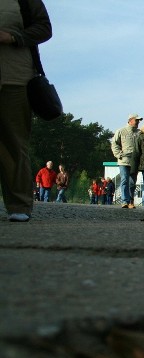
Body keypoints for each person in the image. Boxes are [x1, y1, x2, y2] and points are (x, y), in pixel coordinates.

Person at [0, 0, 52, 222]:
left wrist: (13, 37)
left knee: (14, 142)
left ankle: (18, 204)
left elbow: (44, 28)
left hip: (14, 78)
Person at [111, 113, 142, 209]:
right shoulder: (120, 131)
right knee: (124, 179)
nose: (138, 122)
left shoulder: (140, 133)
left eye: (138, 121)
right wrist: (118, 154)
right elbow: (114, 144)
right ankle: (125, 201)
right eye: (136, 120)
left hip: (135, 160)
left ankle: (131, 201)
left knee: (132, 182)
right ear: (130, 120)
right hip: (123, 160)